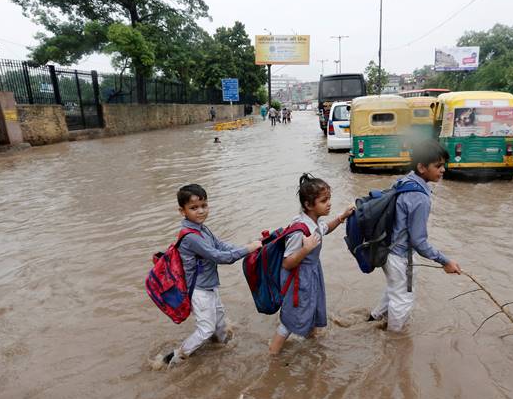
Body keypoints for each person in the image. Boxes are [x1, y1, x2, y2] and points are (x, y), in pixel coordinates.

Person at [162, 184, 262, 367]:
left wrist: (247, 247)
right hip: (198, 290)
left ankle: (223, 349)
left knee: (220, 322)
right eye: (194, 208)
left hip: (209, 285)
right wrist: (248, 249)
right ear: (182, 211)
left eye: (204, 205)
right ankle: (175, 357)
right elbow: (219, 256)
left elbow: (220, 245)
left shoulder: (202, 228)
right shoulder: (191, 236)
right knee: (206, 329)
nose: (201, 211)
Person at [368, 140, 462, 332]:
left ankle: (373, 320)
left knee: (395, 290)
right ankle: (394, 340)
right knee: (403, 299)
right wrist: (445, 261)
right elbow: (418, 241)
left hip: (386, 250)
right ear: (421, 167)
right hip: (400, 257)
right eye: (438, 166)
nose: (443, 170)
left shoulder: (404, 182)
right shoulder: (420, 197)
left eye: (443, 165)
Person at [269, 174, 354, 355]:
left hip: (311, 274)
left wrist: (341, 217)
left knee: (313, 308)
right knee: (291, 319)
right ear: (308, 205)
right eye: (324, 201)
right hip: (299, 279)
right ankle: (272, 356)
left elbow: (324, 229)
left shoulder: (314, 221)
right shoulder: (300, 230)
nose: (329, 204)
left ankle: (312, 344)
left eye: (329, 199)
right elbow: (287, 263)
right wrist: (306, 249)